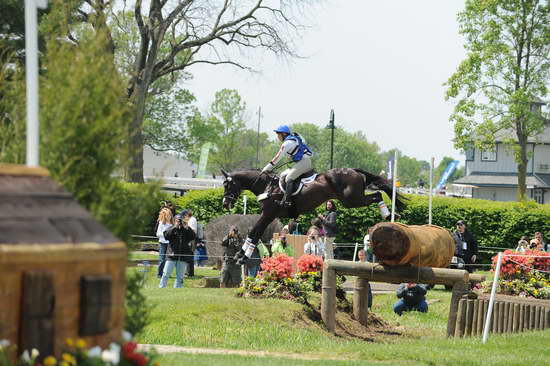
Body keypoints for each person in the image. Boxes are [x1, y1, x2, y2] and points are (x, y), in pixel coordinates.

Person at [261, 125, 313, 208]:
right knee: (283, 174)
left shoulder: (287, 143)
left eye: (278, 134)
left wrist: (266, 168)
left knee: (289, 178)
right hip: (302, 161)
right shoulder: (292, 139)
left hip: (304, 162)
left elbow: (277, 158)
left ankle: (287, 201)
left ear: (284, 134)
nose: (277, 136)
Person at [159, 214, 196, 288]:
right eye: (177, 220)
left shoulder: (186, 229)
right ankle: (162, 287)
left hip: (183, 256)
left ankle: (178, 288)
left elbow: (193, 236)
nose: (179, 222)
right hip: (171, 256)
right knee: (166, 273)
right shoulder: (171, 228)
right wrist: (174, 227)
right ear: (174, 221)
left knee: (180, 276)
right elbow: (166, 236)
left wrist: (187, 227)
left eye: (180, 220)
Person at [155, 208, 173, 278]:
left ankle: (166, 273)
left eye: (169, 215)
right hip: (162, 243)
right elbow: (158, 234)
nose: (169, 216)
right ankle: (159, 274)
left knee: (168, 260)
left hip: (170, 244)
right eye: (167, 215)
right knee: (162, 259)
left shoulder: (172, 224)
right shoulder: (161, 223)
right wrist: (166, 234)